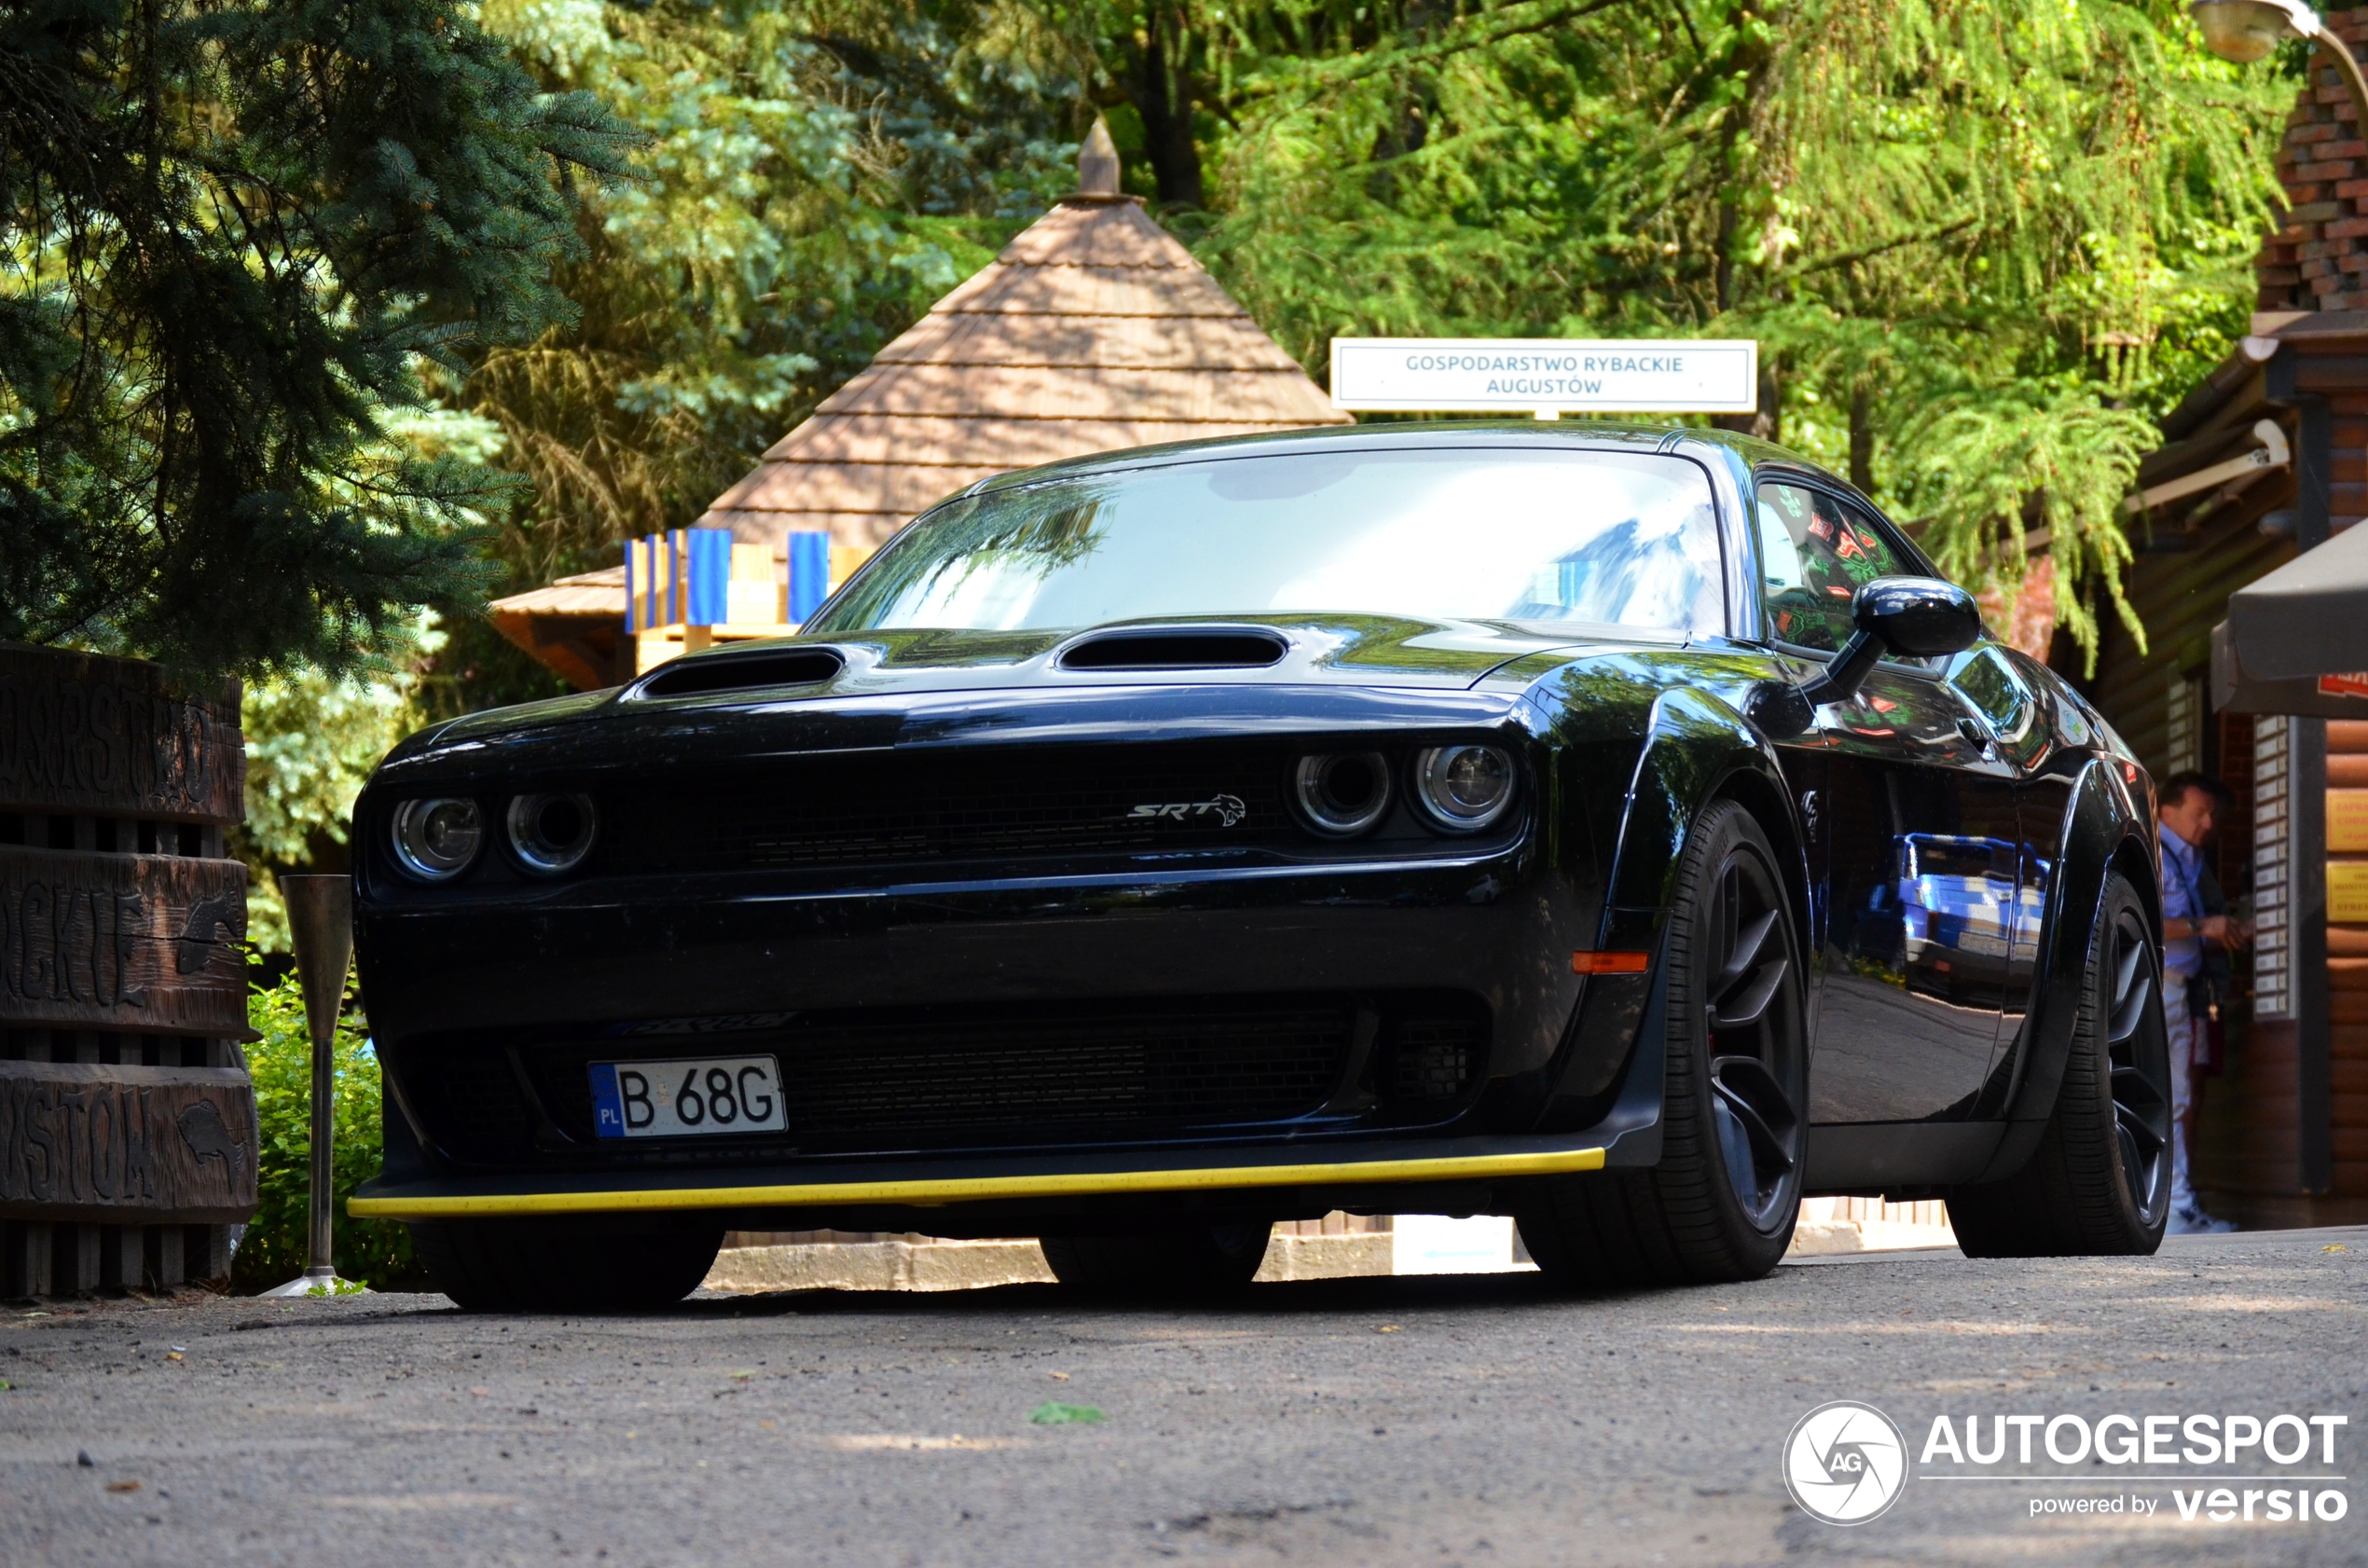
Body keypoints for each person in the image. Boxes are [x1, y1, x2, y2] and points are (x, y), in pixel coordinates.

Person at [2157, 771, 2251, 1235]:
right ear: (2166, 812)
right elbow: (2148, 920)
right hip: (2154, 986)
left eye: (2212, 814)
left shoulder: (2187, 857)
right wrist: (2202, 927)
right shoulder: (2153, 851)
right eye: (2199, 813)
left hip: (2177, 986)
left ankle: (2175, 1208)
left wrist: (2228, 931)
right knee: (2164, 1098)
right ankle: (2169, 1209)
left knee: (2175, 1098)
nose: (2208, 823)